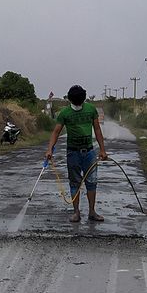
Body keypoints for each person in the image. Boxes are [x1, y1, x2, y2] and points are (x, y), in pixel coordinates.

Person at [45, 85, 107, 222]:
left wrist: (102, 150)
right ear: (71, 100)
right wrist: (50, 149)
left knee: (92, 182)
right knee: (75, 183)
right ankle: (76, 213)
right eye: (76, 101)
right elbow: (56, 132)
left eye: (80, 101)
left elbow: (97, 129)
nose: (78, 104)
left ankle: (92, 212)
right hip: (73, 153)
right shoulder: (65, 113)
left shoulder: (91, 110)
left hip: (89, 152)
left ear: (84, 99)